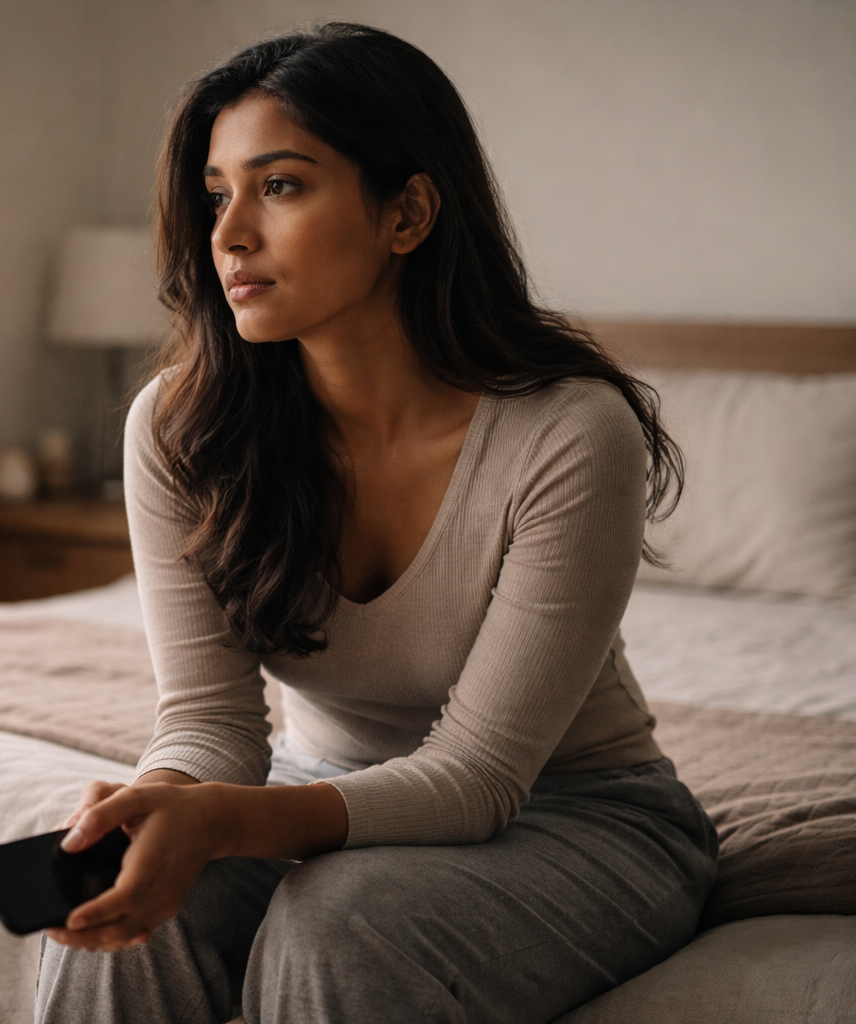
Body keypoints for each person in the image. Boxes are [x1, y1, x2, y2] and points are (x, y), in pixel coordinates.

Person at [35, 23, 718, 1024]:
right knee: (121, 906)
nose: (229, 235)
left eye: (280, 186)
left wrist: (224, 822)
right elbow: (209, 724)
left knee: (339, 921)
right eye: (217, 195)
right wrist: (168, 805)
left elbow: (479, 778)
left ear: (408, 212)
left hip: (575, 811)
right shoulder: (182, 428)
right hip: (316, 784)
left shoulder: (569, 430)